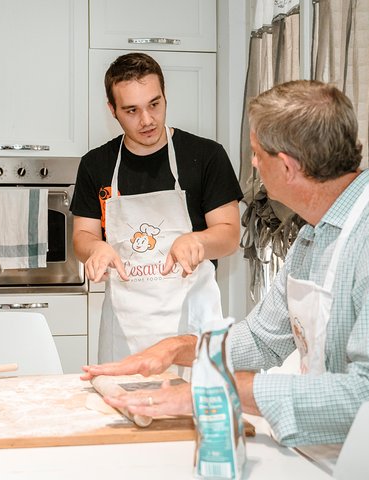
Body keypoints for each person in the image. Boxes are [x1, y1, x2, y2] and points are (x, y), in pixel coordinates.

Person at [83, 80, 369, 447]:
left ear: (287, 167)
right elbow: (261, 339)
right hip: (323, 447)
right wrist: (178, 348)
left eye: (257, 154)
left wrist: (223, 389)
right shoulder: (313, 235)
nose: (253, 164)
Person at [71, 52, 242, 363]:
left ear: (165, 96)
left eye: (154, 104)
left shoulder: (205, 156)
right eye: (131, 110)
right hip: (125, 330)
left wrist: (198, 240)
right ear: (113, 111)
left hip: (192, 327)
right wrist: (95, 248)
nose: (147, 120)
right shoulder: (96, 164)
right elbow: (82, 235)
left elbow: (230, 235)